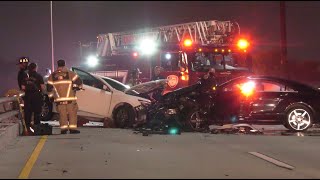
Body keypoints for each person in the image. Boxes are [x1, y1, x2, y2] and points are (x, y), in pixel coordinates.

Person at [47, 59, 83, 134]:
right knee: (72, 113)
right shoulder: (70, 73)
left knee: (62, 114)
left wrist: (51, 97)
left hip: (59, 100)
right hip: (70, 98)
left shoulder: (52, 76)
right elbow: (79, 82)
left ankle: (64, 129)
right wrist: (76, 87)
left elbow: (49, 88)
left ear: (58, 65)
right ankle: (72, 129)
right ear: (64, 64)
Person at [21, 62, 46, 134]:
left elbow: (23, 87)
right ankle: (37, 130)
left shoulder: (26, 77)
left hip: (28, 97)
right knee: (37, 113)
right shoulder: (39, 76)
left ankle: (27, 129)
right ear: (35, 68)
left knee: (27, 113)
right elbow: (42, 87)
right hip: (36, 96)